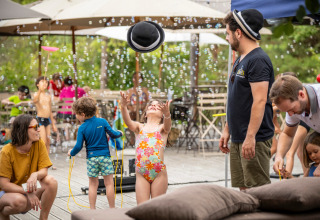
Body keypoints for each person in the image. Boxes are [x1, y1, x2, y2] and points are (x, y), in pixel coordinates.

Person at [219, 9, 275, 190]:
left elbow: (260, 101)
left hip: (254, 139)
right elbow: (236, 97)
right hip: (238, 137)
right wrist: (227, 128)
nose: (227, 38)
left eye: (227, 33)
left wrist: (250, 137)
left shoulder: (258, 60)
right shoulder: (241, 59)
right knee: (243, 191)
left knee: (258, 192)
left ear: (238, 32)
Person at [67, 97, 122, 209]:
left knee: (93, 184)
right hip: (105, 158)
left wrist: (71, 153)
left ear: (82, 114)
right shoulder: (102, 121)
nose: (76, 116)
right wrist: (120, 133)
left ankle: (92, 209)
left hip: (92, 159)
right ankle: (112, 208)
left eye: (76, 114)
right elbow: (113, 134)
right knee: (109, 184)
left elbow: (78, 146)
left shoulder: (82, 128)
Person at [0, 114, 57, 220]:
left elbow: (44, 171)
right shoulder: (6, 151)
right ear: (23, 129)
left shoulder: (39, 144)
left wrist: (35, 174)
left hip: (25, 190)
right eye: (35, 127)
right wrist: (27, 192)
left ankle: (43, 218)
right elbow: (4, 185)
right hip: (6, 193)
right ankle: (3, 213)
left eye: (39, 126)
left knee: (51, 182)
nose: (39, 130)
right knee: (19, 202)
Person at [120, 91, 172, 205]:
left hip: (158, 173)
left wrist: (168, 114)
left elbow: (168, 125)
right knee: (142, 208)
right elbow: (128, 122)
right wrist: (123, 106)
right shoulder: (139, 127)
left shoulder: (162, 129)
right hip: (141, 173)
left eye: (158, 106)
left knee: (156, 209)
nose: (153, 106)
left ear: (162, 114)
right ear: (146, 114)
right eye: (151, 105)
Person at [270, 75, 320, 177]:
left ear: (301, 94)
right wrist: (279, 156)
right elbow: (288, 134)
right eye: (287, 112)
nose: (291, 114)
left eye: (291, 109)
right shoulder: (294, 106)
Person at [33, 76, 57, 154]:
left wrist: (53, 124)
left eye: (46, 82)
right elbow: (35, 100)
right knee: (43, 140)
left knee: (48, 140)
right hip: (40, 119)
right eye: (42, 82)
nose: (45, 83)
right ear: (37, 84)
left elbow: (50, 111)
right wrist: (40, 91)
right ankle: (41, 160)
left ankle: (47, 160)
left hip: (47, 120)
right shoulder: (36, 94)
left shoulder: (48, 96)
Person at [126, 72, 150, 146]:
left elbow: (148, 101)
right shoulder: (130, 91)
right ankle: (133, 137)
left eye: (139, 78)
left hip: (143, 111)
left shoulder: (145, 90)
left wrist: (144, 108)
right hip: (133, 111)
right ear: (133, 79)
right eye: (135, 78)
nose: (137, 80)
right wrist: (133, 109)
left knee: (146, 116)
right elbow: (127, 103)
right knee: (130, 115)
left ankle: (144, 137)